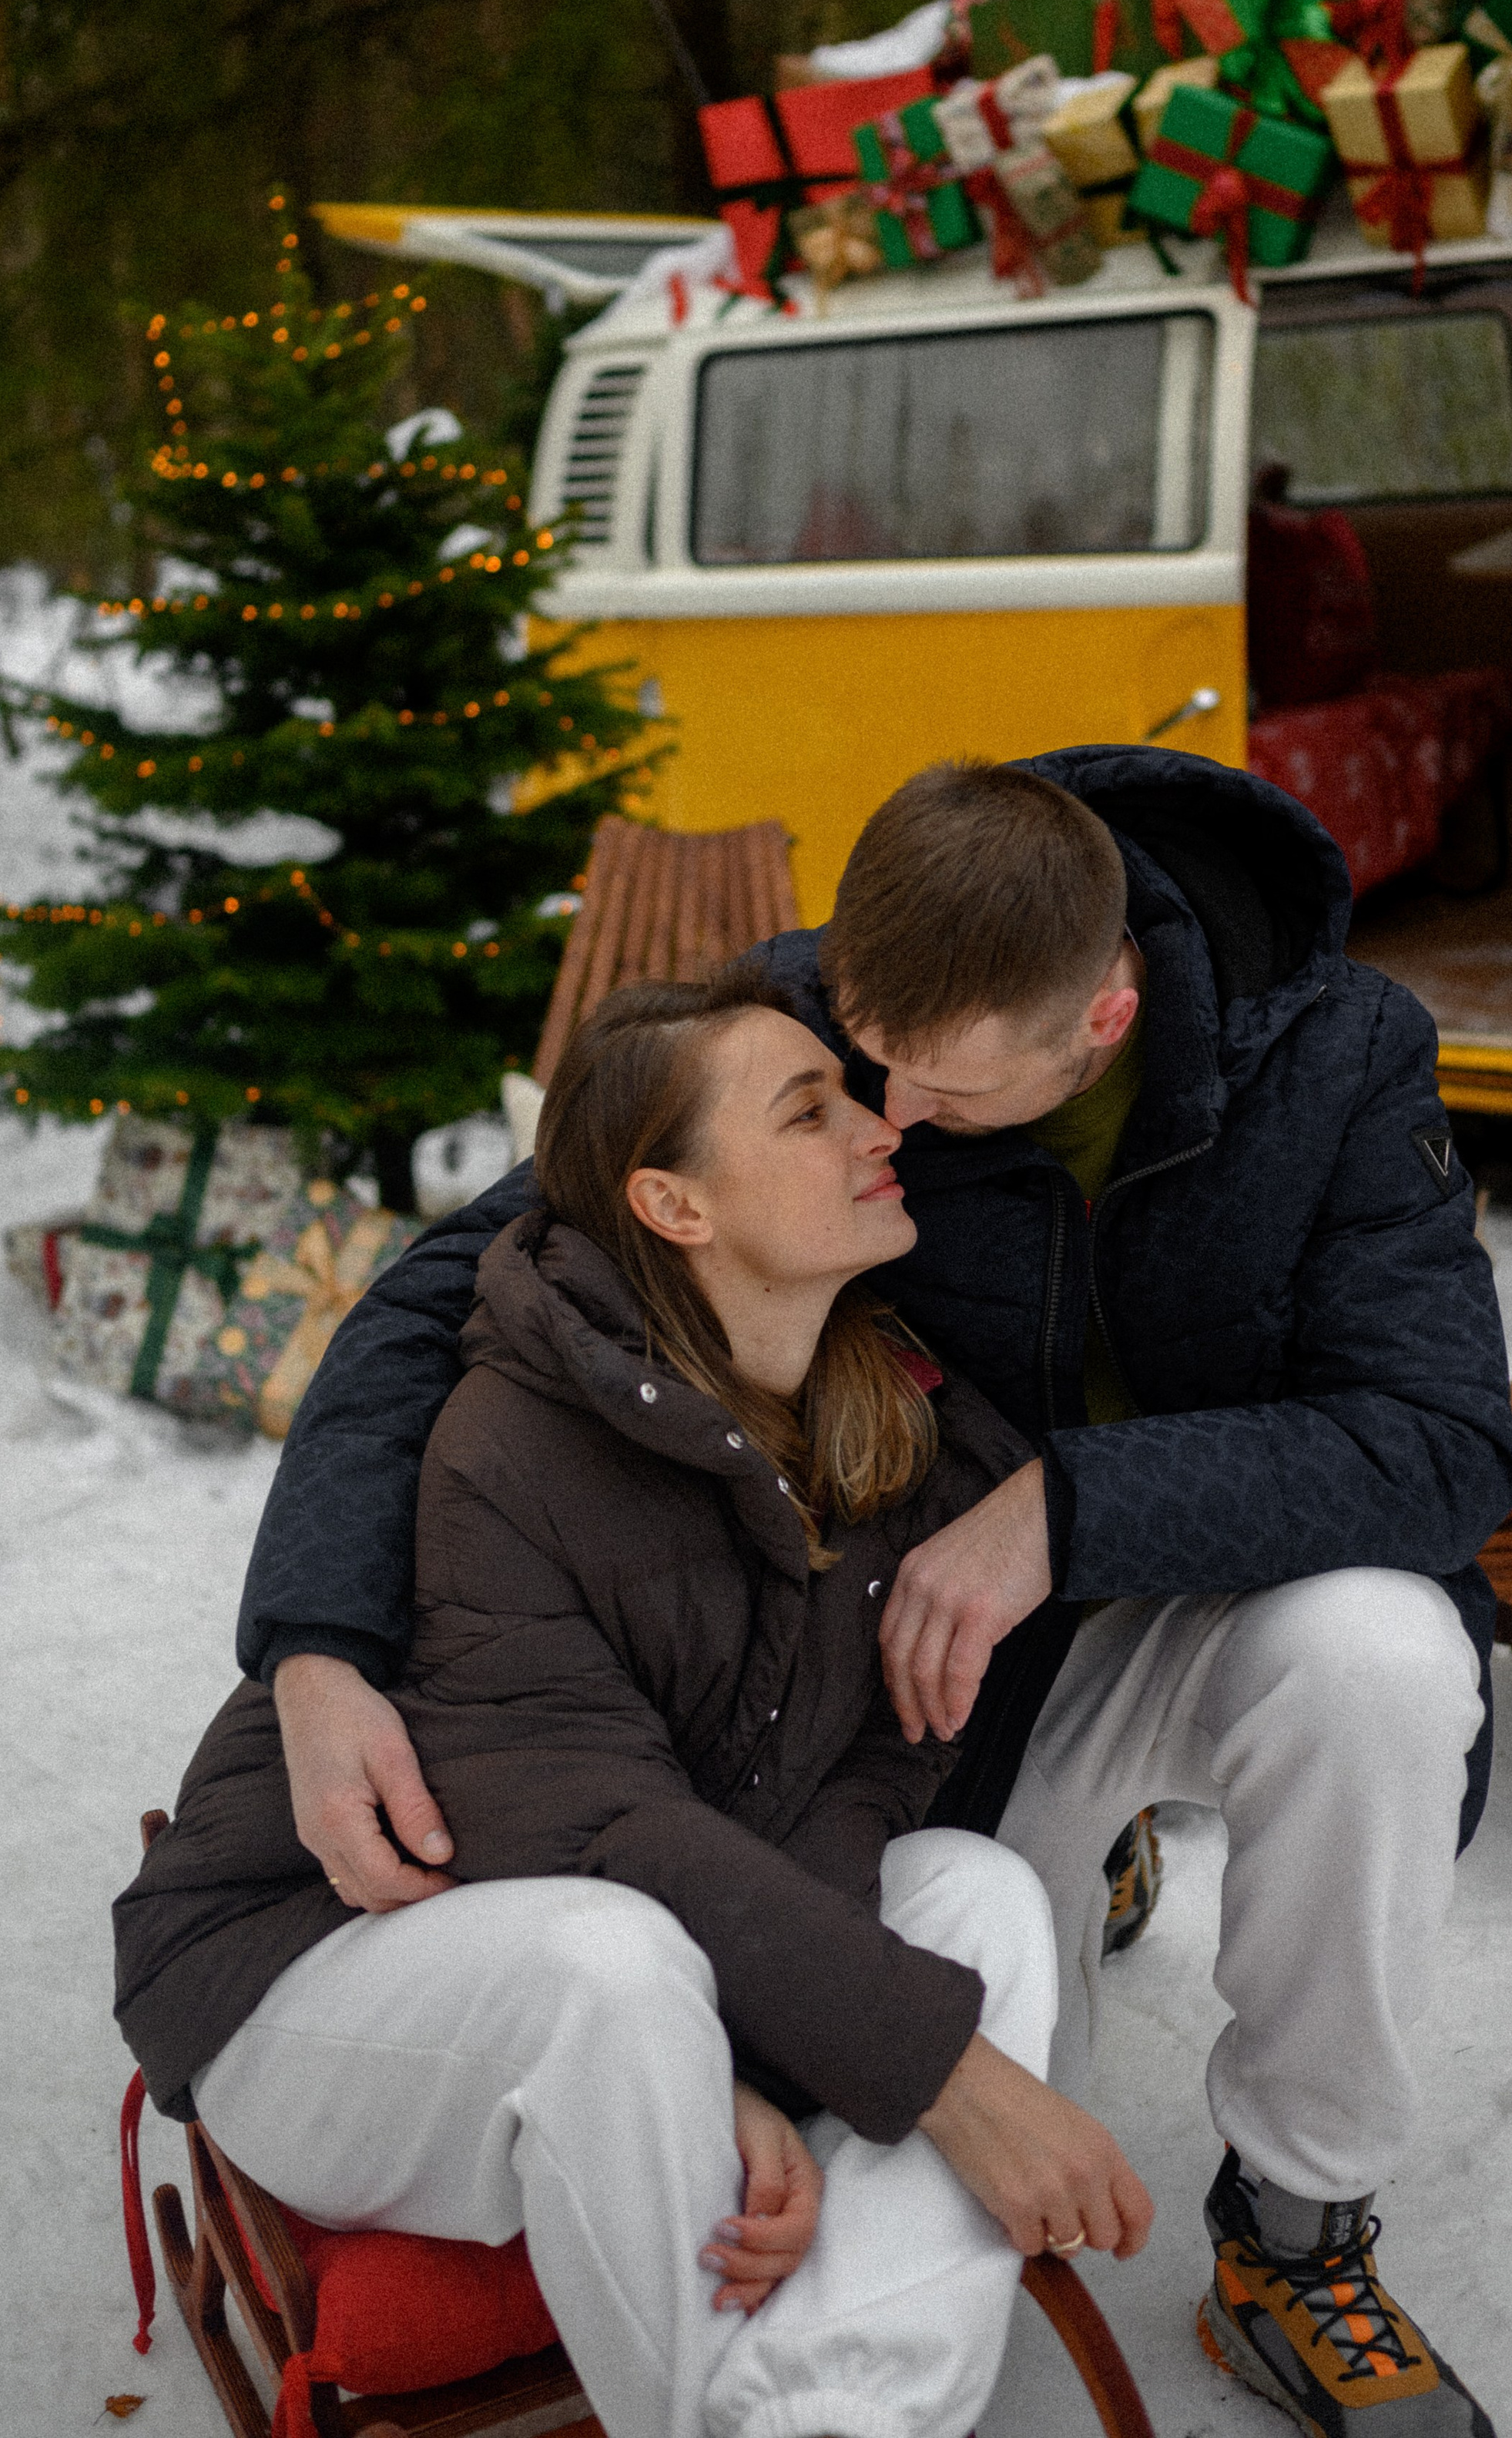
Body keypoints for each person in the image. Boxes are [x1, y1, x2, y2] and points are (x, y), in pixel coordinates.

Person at [240, 746, 1512, 2438]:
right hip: (935, 1667)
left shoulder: (1339, 1054)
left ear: (1101, 1023)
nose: (890, 1118)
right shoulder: (816, 1018)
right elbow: (444, 1295)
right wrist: (315, 1645)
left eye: (943, 1096)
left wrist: (1058, 1507)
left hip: (1193, 1581)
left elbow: (1437, 1443)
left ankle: (1295, 2225)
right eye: (865, 1066)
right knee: (973, 2101)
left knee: (1384, 1653)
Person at [115, 971, 1152, 2438]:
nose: (877, 1130)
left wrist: (756, 2060)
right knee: (606, 1964)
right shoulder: (509, 1442)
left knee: (975, 1891)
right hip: (314, 1963)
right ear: (675, 1204)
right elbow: (592, 1831)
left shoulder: (898, 1435)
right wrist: (939, 2075)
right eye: (811, 1111)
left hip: (630, 1938)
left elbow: (873, 1776)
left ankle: (840, 2418)